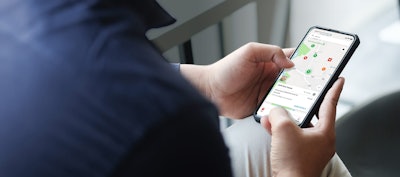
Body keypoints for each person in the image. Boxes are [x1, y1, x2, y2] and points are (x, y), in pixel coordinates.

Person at [0, 0, 349, 177]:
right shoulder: (167, 130)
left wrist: (210, 86)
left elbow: (73, 86)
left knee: (264, 139)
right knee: (312, 159)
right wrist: (294, 173)